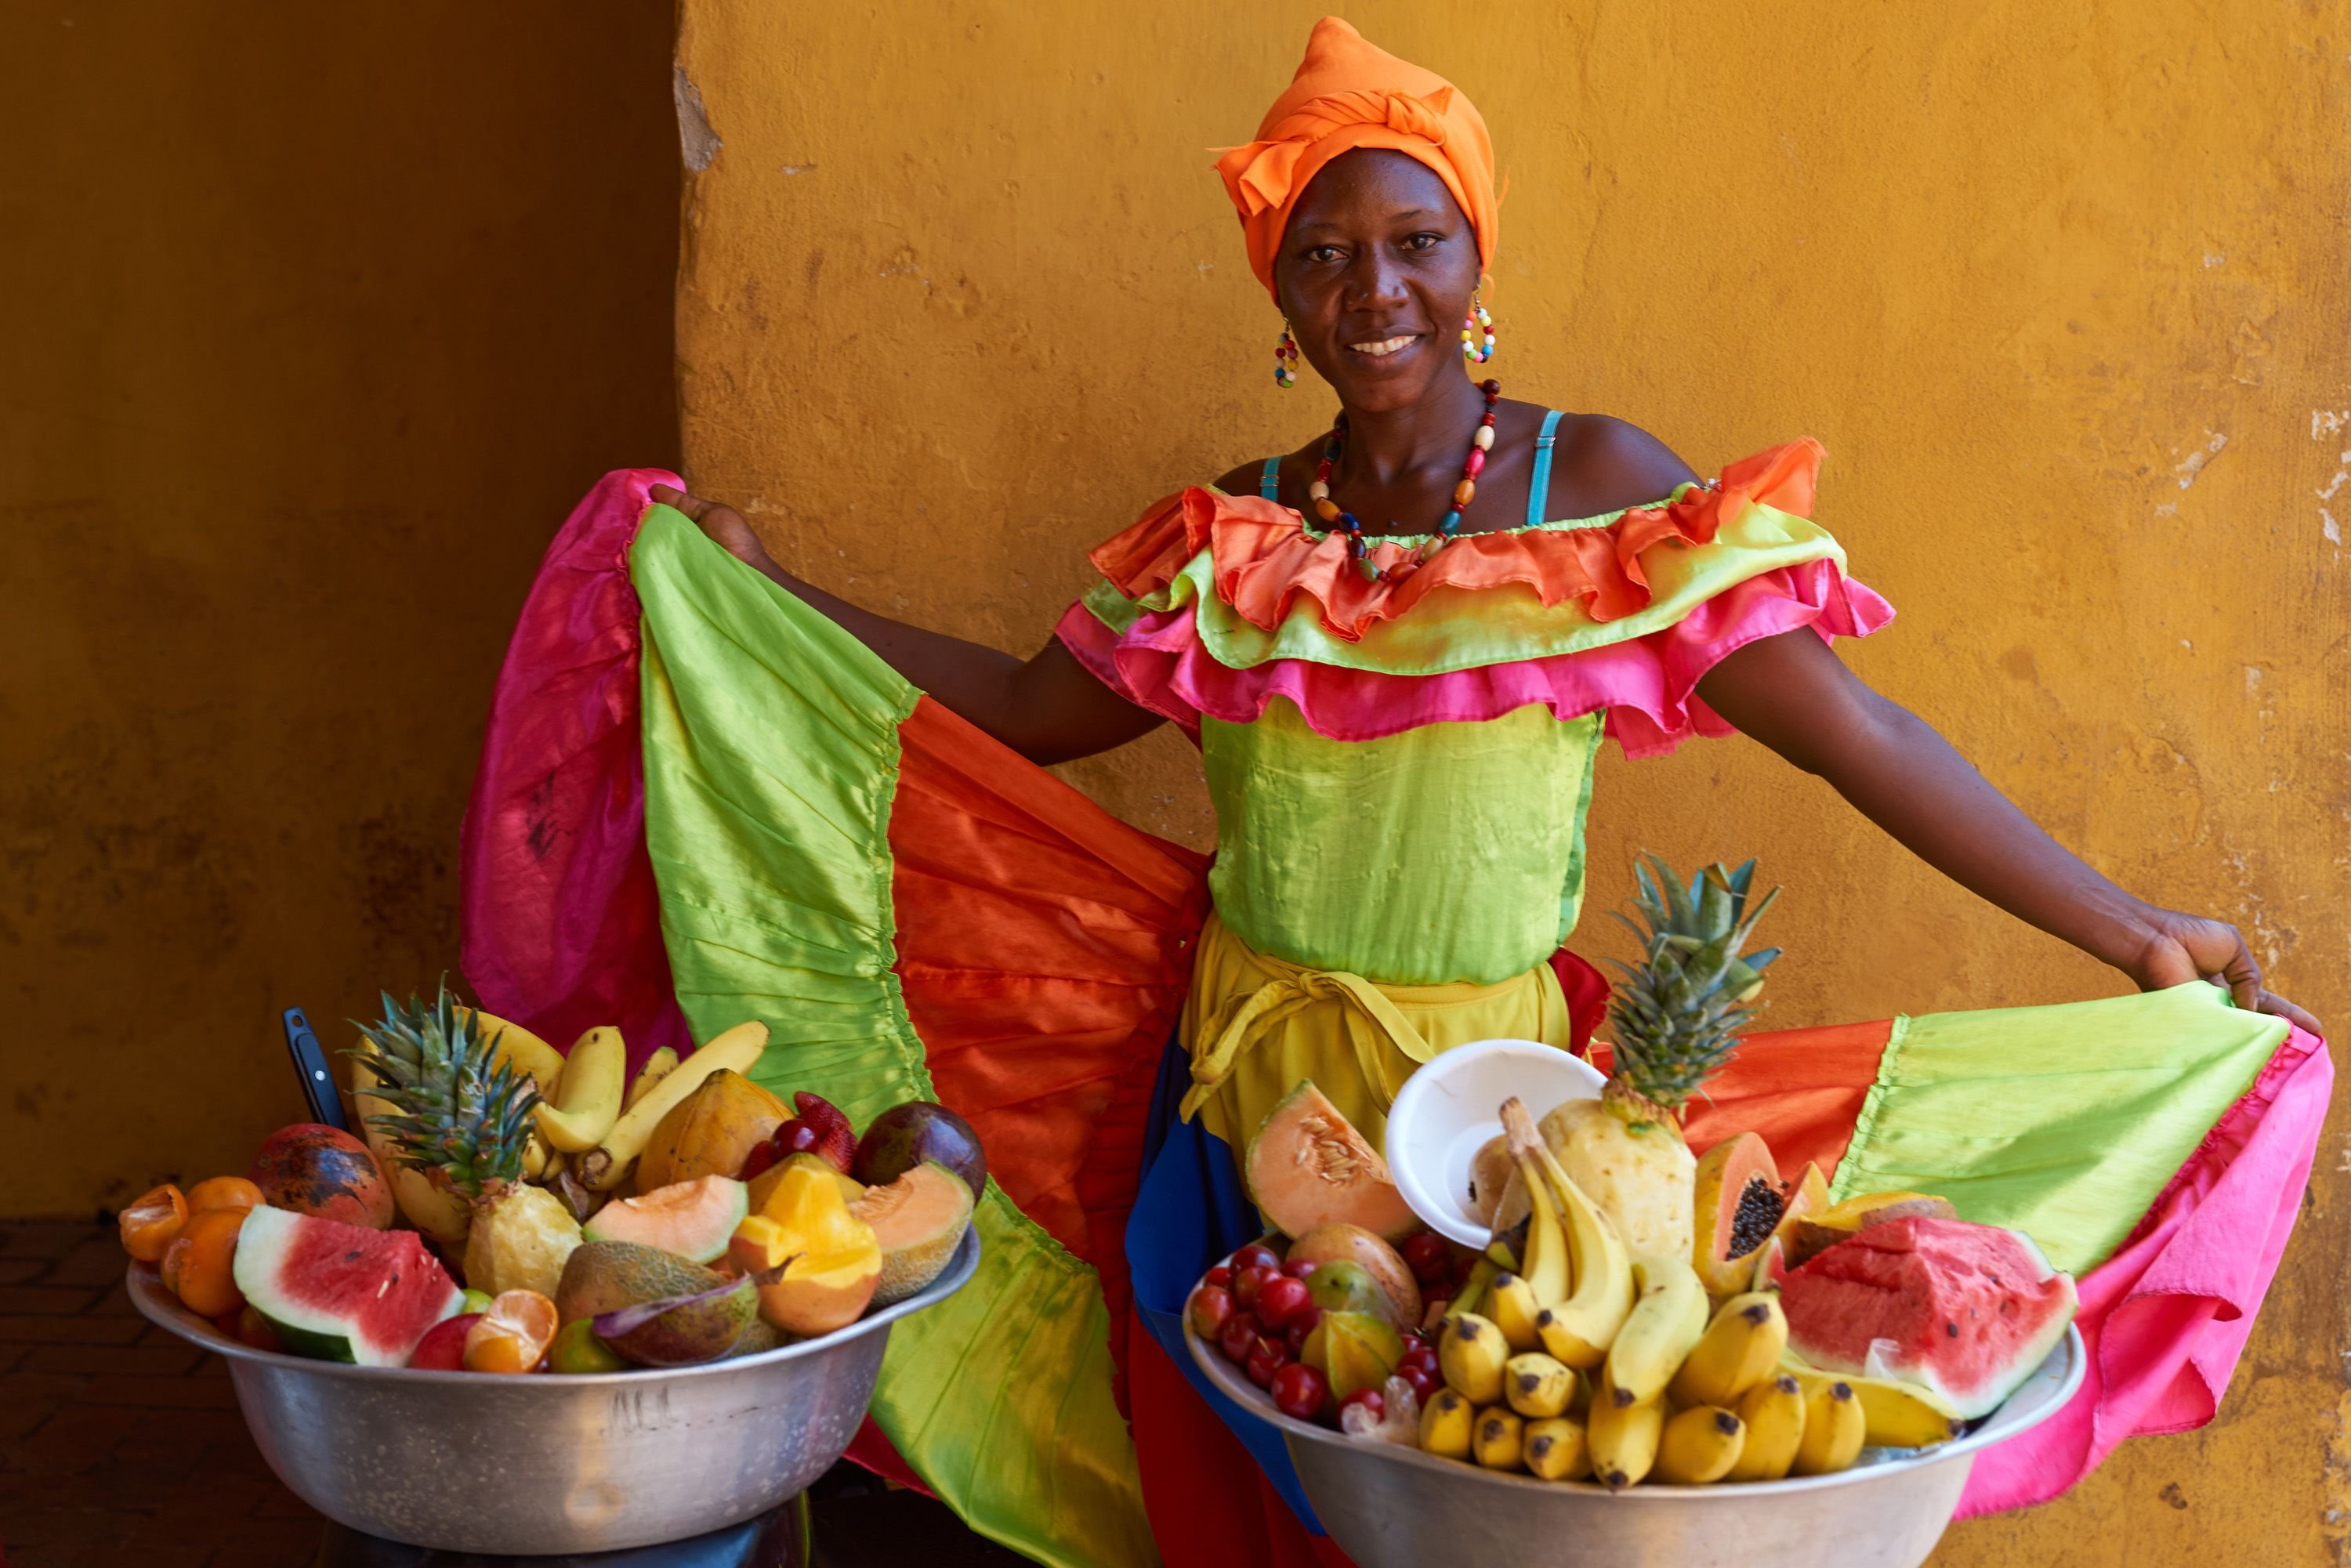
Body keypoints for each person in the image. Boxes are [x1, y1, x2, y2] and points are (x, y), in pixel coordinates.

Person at [468, 19, 2321, 1568]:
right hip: (1244, 1114)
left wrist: (2131, 923)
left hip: (1508, 1141)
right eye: (1329, 252)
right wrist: (753, 596)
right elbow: (1023, 715)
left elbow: (1863, 733)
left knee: (1511, 1493)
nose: (1378, 292)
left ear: (1478, 259)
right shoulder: (1233, 542)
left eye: (1416, 240)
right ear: (1279, 284)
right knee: (1269, 1519)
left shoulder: (1593, 501)